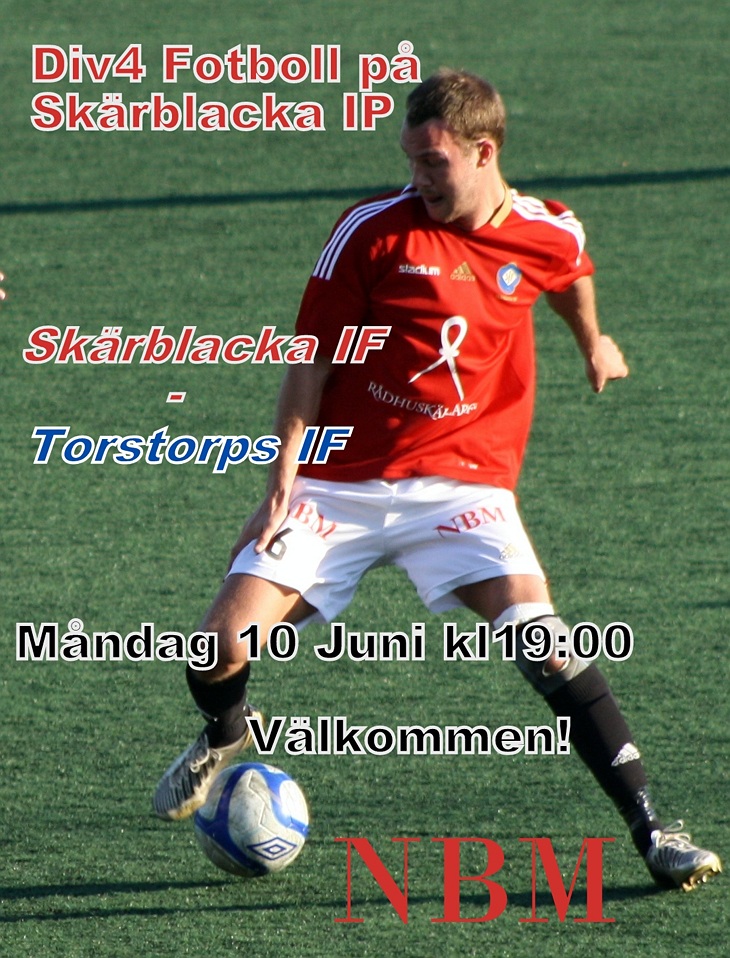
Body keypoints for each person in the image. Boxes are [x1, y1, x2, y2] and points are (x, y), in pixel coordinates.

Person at [154, 70, 721, 891]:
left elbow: (570, 271)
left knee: (546, 645)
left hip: (463, 483)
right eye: (411, 159)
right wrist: (280, 484)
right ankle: (226, 731)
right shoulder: (371, 232)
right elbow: (310, 360)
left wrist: (593, 342)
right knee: (216, 648)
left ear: (484, 152)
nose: (417, 177)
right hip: (338, 485)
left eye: (433, 162)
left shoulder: (546, 230)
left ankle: (654, 830)